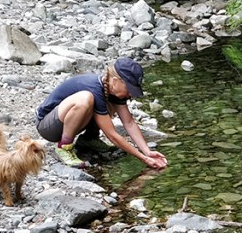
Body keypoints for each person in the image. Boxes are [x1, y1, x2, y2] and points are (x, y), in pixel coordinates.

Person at [35, 57, 168, 169]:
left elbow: (129, 123)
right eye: (129, 89)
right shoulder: (94, 87)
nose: (130, 94)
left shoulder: (112, 89)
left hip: (65, 122)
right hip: (48, 127)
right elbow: (112, 135)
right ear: (115, 81)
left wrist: (147, 151)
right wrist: (142, 158)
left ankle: (89, 139)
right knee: (86, 99)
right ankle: (64, 146)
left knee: (105, 104)